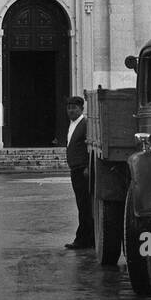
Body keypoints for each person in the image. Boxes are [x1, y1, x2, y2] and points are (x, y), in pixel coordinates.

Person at [64, 95, 94, 249]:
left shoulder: (85, 124)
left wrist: (89, 166)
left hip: (82, 170)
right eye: (69, 108)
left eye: (74, 108)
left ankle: (83, 240)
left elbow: (90, 147)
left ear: (81, 109)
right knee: (82, 205)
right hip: (75, 169)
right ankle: (88, 238)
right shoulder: (73, 124)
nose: (71, 110)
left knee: (84, 206)